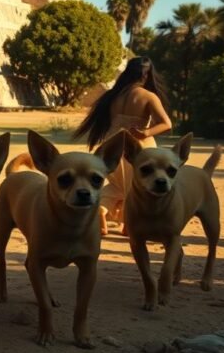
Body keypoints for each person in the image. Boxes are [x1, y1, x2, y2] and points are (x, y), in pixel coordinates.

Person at [74, 56, 173, 235]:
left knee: (117, 186)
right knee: (134, 188)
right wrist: (146, 133)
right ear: (147, 75)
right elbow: (167, 123)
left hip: (112, 145)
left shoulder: (113, 96)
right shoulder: (148, 96)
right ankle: (129, 225)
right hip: (138, 147)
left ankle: (101, 211)